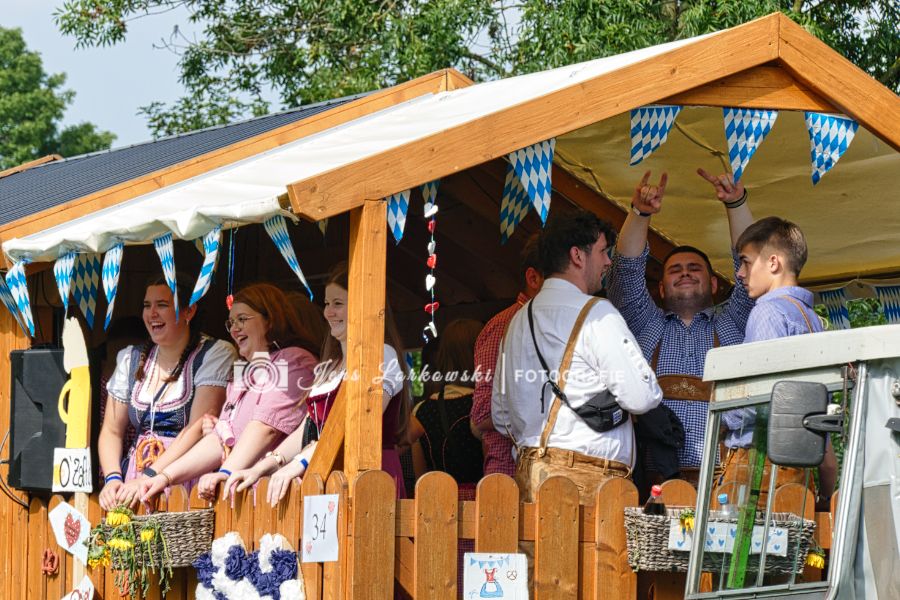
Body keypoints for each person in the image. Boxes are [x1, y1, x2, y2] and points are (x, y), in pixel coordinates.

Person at [492, 209, 662, 504]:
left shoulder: (517, 320)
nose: (608, 261)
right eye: (603, 251)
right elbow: (641, 397)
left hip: (529, 476)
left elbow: (500, 416)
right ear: (577, 256)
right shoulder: (597, 313)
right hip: (588, 482)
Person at [606, 169, 756, 487]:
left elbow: (752, 265)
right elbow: (626, 272)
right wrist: (640, 213)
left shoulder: (735, 322)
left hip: (724, 486)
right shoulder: (644, 323)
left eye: (694, 268)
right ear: (661, 289)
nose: (685, 273)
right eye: (675, 270)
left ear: (713, 284)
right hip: (653, 488)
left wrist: (736, 203)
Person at [222, 262, 411, 504]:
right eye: (327, 303)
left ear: (364, 305)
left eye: (338, 304)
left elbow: (356, 425)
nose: (328, 312)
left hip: (368, 477)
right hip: (326, 478)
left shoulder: (381, 354)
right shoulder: (330, 366)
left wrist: (298, 463)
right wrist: (264, 466)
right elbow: (308, 427)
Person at [137, 283, 319, 502]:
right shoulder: (244, 369)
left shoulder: (292, 359)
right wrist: (165, 477)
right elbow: (218, 439)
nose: (234, 329)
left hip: (272, 497)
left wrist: (225, 473)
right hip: (240, 495)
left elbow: (265, 428)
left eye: (242, 319)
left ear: (270, 319)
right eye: (231, 323)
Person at [720, 216, 835, 504]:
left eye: (746, 262)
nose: (740, 273)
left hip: (758, 465)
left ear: (773, 263)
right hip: (799, 466)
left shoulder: (767, 312)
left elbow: (759, 398)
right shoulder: (811, 320)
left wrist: (724, 413)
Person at [97, 274, 236, 510]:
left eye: (162, 305)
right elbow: (112, 430)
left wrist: (151, 474)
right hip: (134, 483)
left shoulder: (214, 354)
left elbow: (197, 427)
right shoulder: (131, 358)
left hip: (183, 479)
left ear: (189, 311)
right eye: (147, 305)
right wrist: (113, 478)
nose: (152, 313)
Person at [470, 234, 543, 477]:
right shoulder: (503, 326)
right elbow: (483, 413)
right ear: (533, 278)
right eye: (560, 281)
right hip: (510, 476)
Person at [409, 318, 485, 498]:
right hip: (484, 504)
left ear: (443, 357)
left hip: (436, 504)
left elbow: (420, 478)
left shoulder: (420, 410)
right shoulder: (485, 407)